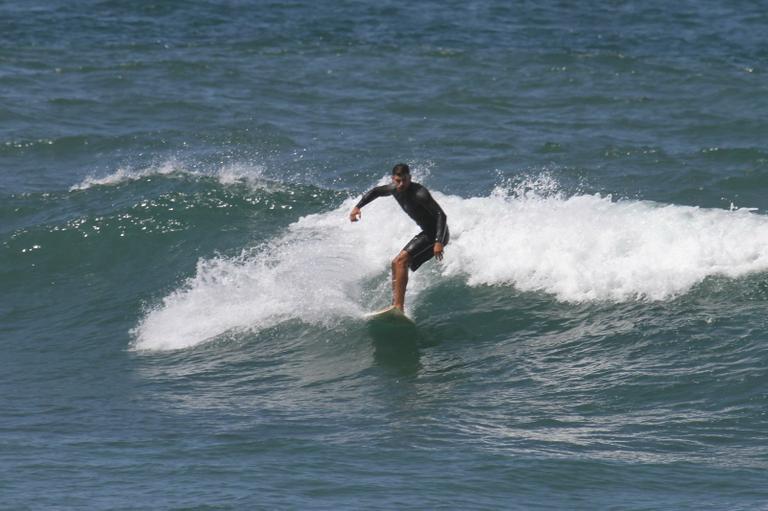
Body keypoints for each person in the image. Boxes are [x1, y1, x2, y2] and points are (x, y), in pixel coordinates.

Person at [349, 163, 449, 311]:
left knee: (401, 261)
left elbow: (441, 215)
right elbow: (375, 191)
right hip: (426, 233)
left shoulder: (420, 193)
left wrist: (438, 242)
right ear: (393, 179)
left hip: (436, 235)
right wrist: (357, 207)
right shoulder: (393, 189)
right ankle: (395, 304)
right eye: (397, 181)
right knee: (396, 263)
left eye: (404, 180)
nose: (401, 184)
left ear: (410, 178)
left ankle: (398, 306)